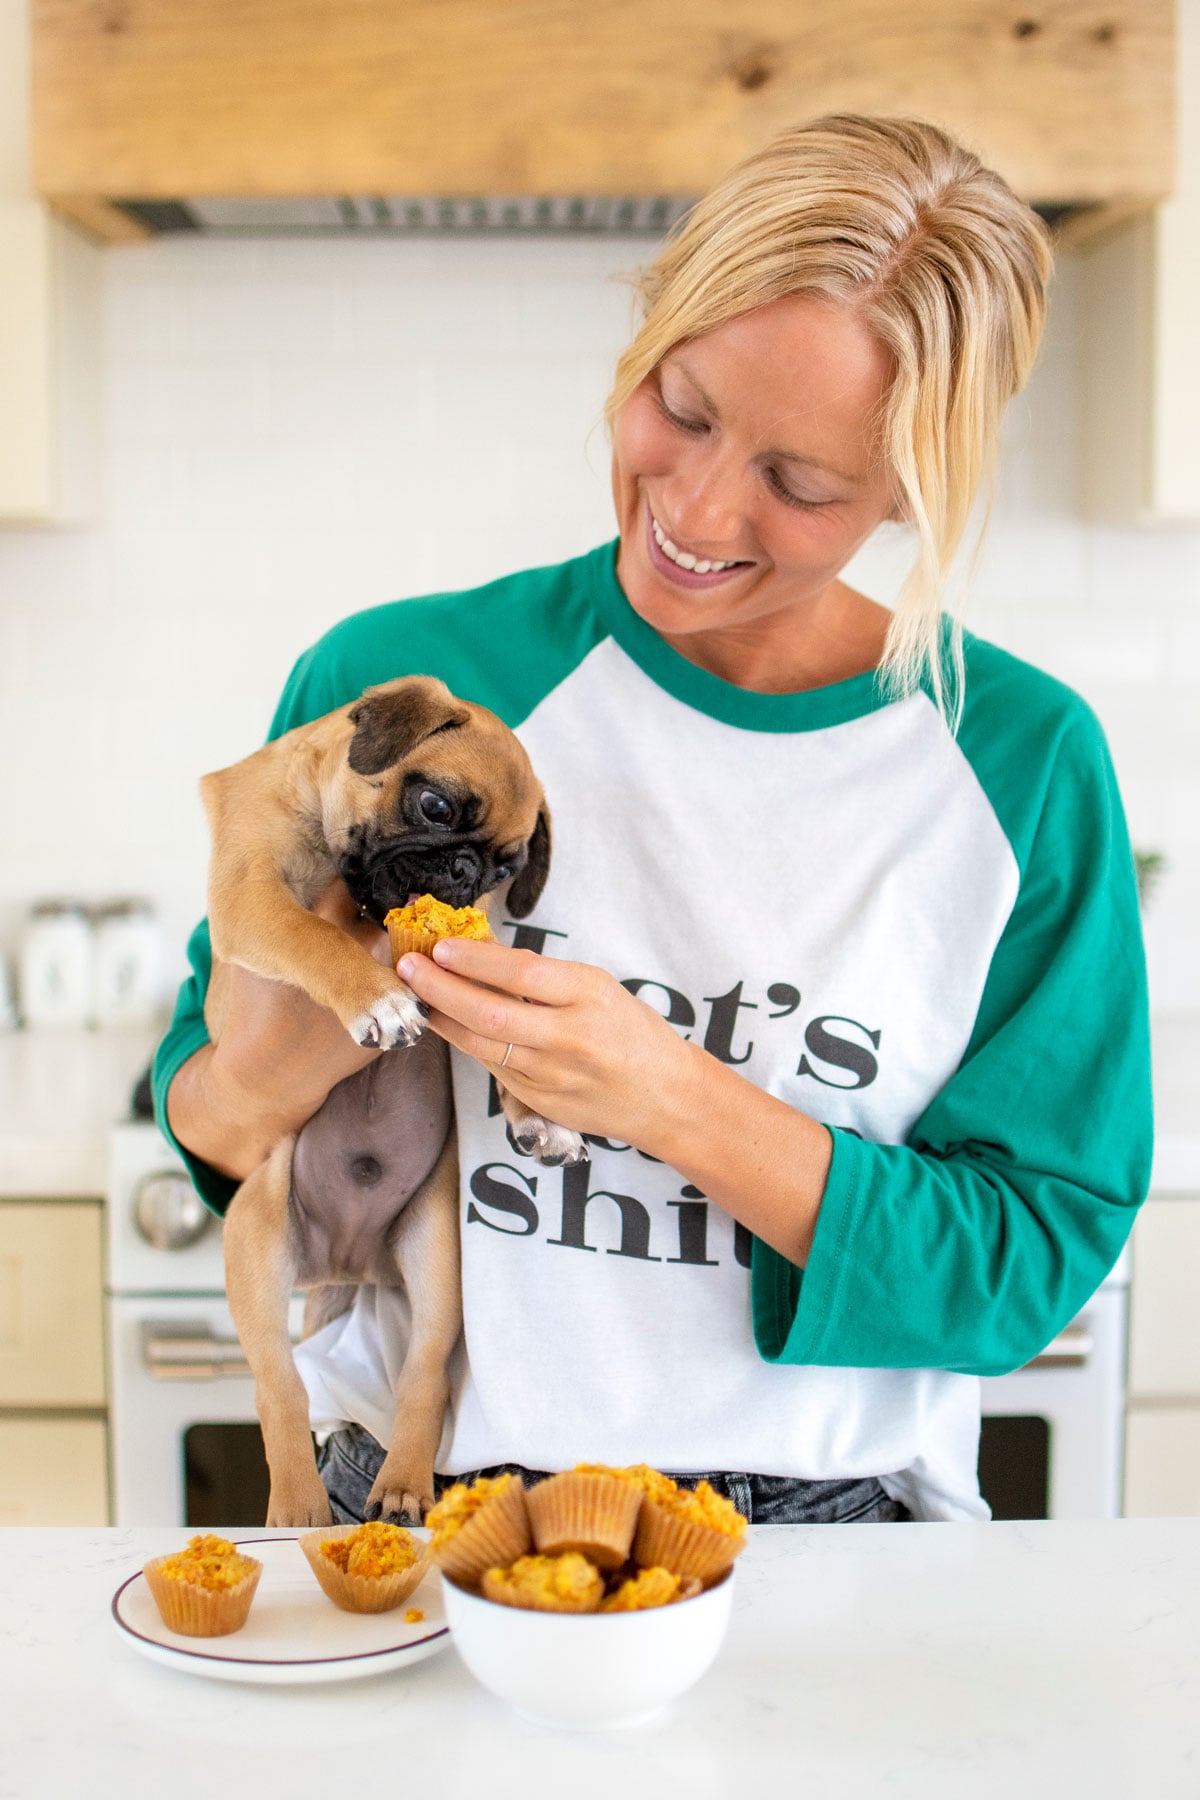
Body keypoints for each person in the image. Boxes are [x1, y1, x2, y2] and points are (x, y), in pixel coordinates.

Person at [154, 113, 1152, 1526]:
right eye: (681, 410)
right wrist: (274, 1060)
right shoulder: (409, 689)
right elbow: (213, 1125)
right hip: (414, 1498)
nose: (696, 509)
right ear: (644, 338)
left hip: (825, 1529)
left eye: (799, 485)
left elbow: (1027, 1265)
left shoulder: (1019, 763)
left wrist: (669, 1097)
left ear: (907, 494)